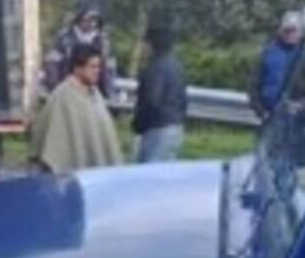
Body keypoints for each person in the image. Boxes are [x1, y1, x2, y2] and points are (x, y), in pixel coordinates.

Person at [31, 44, 124, 175]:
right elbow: (51, 139)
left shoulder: (95, 94)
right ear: (77, 68)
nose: (97, 71)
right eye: (92, 66)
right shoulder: (62, 96)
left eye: (98, 66)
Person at [132, 23, 188, 163]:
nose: (142, 47)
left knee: (149, 175)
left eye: (144, 43)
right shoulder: (176, 65)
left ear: (151, 44)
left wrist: (139, 124)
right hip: (175, 126)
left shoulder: (155, 68)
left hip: (157, 129)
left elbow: (151, 101)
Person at [42, 1, 118, 99]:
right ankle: (56, 93)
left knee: (109, 62)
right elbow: (53, 59)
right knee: (52, 57)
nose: (92, 23)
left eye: (95, 20)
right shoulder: (65, 36)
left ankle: (106, 97)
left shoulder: (101, 39)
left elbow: (105, 64)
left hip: (93, 86)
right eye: (89, 19)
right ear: (80, 18)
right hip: (67, 79)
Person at [252, 11, 304, 118]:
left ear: (300, 32)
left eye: (294, 30)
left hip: (296, 117)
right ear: (280, 31)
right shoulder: (269, 53)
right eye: (287, 31)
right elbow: (254, 85)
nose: (290, 34)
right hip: (270, 114)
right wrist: (260, 111)